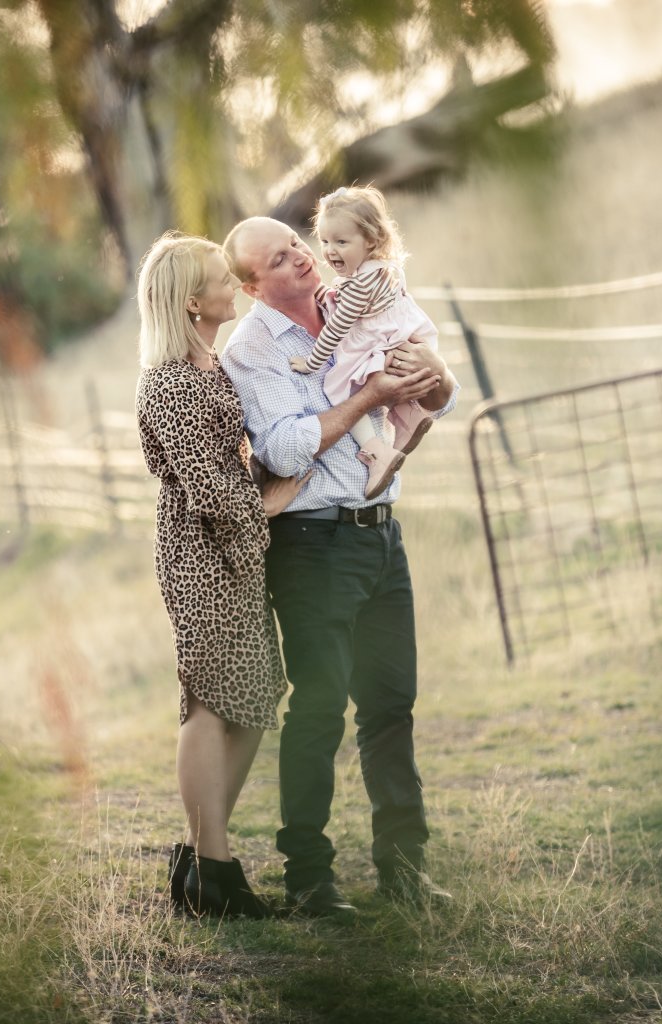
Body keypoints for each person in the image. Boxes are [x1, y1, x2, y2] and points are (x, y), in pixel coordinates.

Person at [220, 213, 459, 919]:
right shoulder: (252, 349)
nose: (302, 256)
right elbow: (285, 448)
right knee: (320, 708)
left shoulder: (357, 299)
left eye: (297, 243)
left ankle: (405, 870)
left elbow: (437, 397)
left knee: (391, 707)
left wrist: (436, 377)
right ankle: (309, 880)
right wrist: (371, 396)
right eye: (279, 258)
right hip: (313, 544)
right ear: (250, 286)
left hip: (381, 535)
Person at [135, 231, 307, 918]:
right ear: (190, 301)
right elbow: (206, 487)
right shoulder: (171, 383)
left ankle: (201, 860)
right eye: (220, 277)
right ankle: (215, 869)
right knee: (209, 700)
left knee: (255, 695)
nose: (233, 284)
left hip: (235, 549)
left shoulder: (210, 367)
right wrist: (269, 503)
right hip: (200, 551)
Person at [287, 186, 439, 500]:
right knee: (374, 381)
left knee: (337, 388)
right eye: (325, 241)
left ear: (371, 240)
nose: (330, 251)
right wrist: (326, 294)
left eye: (341, 242)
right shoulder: (383, 269)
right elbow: (348, 299)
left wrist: (312, 362)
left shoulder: (359, 285)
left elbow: (338, 326)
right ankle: (411, 414)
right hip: (399, 333)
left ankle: (376, 453)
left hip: (376, 340)